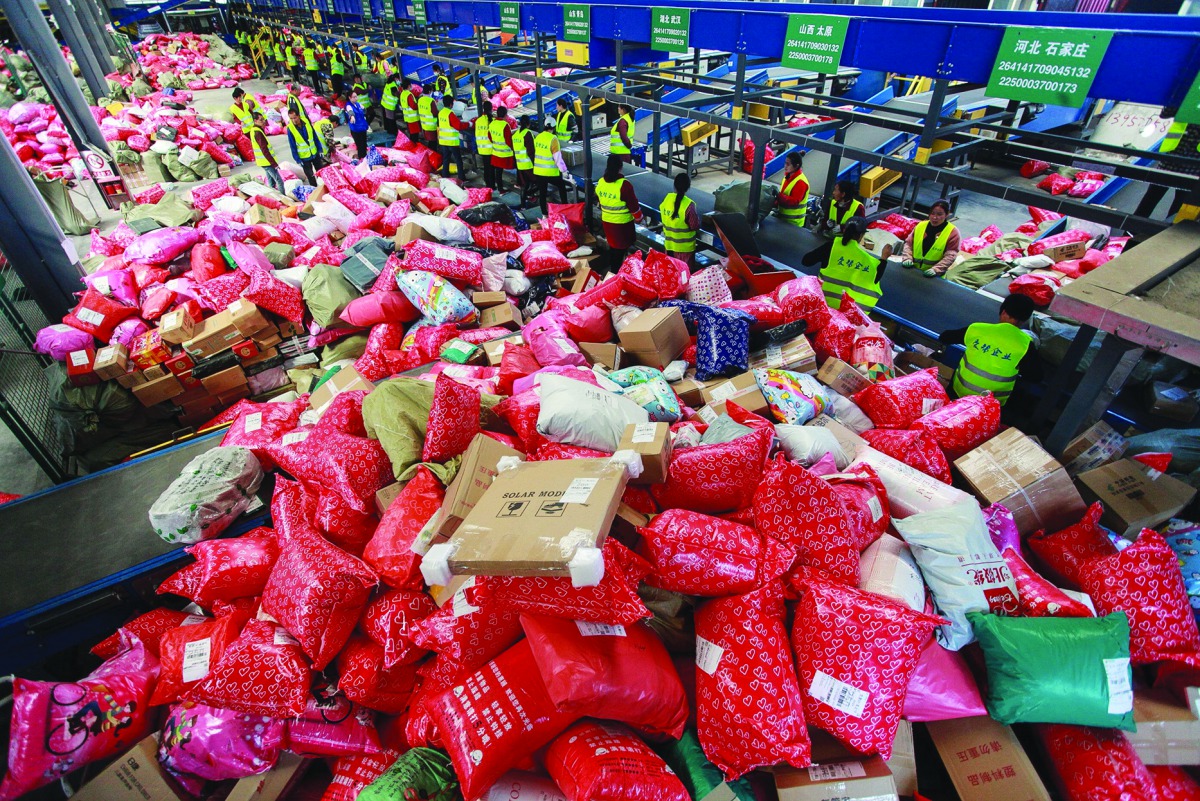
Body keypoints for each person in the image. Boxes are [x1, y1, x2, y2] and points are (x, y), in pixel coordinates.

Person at [939, 294, 1042, 410]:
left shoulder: (976, 329)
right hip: (990, 406)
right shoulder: (1026, 344)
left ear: (1003, 312)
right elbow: (1036, 377)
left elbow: (944, 337)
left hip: (958, 394)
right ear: (1025, 320)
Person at [1136, 111, 1200, 220]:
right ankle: (1130, 233)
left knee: (1175, 210)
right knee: (1149, 201)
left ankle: (1164, 234)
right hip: (1172, 160)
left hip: (1191, 166)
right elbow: (1165, 113)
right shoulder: (1190, 98)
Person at [820, 217, 892, 311]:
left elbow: (806, 261)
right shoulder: (869, 261)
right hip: (851, 315)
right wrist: (884, 258)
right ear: (861, 235)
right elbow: (876, 276)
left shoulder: (830, 247)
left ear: (844, 230)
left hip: (824, 305)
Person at [801, 180, 865, 267]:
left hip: (845, 245)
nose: (833, 193)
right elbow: (825, 221)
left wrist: (841, 228)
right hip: (829, 241)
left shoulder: (858, 207)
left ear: (843, 194)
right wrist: (827, 224)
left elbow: (859, 228)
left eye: (836, 190)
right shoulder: (832, 203)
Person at [596, 154, 641, 275]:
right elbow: (634, 206)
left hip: (607, 224)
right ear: (620, 167)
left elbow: (600, 201)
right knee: (620, 254)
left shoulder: (600, 183)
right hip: (622, 227)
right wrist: (639, 218)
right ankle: (619, 276)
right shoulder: (624, 185)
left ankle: (613, 274)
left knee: (614, 250)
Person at [901, 199, 960, 277]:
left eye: (939, 214)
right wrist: (907, 258)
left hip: (934, 277)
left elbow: (951, 255)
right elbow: (908, 244)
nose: (935, 217)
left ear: (947, 214)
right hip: (912, 271)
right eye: (932, 213)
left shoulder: (952, 232)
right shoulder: (920, 226)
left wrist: (936, 270)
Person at [660, 173, 700, 268]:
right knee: (683, 276)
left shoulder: (667, 198)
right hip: (685, 250)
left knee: (671, 273)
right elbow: (694, 226)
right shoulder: (689, 205)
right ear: (688, 187)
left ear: (675, 185)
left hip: (669, 246)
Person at [533, 115, 568, 214]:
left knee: (542, 193)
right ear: (554, 127)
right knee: (562, 186)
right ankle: (565, 208)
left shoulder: (538, 137)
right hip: (550, 172)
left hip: (539, 171)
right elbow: (557, 158)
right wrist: (564, 171)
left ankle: (544, 214)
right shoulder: (553, 139)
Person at [287, 107, 325, 186]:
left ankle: (324, 186)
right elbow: (292, 145)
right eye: (291, 118)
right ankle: (315, 190)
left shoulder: (307, 122)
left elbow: (314, 137)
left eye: (295, 117)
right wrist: (297, 159)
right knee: (310, 176)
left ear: (299, 116)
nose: (294, 120)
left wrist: (320, 149)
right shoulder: (290, 128)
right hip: (304, 157)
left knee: (321, 172)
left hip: (314, 153)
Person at [249, 112, 284, 194]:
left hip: (263, 162)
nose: (263, 121)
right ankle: (284, 198)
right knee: (279, 181)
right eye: (261, 120)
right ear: (255, 121)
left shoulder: (254, 130)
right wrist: (274, 163)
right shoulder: (258, 132)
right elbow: (264, 150)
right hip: (267, 162)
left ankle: (274, 197)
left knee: (271, 182)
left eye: (263, 119)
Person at [774, 151, 809, 228]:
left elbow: (794, 201)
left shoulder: (801, 182)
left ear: (796, 166)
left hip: (794, 224)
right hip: (783, 220)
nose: (785, 166)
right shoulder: (787, 176)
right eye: (785, 163)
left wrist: (778, 196)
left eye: (788, 164)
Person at [437, 95, 469, 178]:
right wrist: (469, 124)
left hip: (443, 141)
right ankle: (461, 178)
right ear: (451, 104)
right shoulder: (450, 114)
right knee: (458, 160)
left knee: (446, 159)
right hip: (452, 142)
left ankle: (445, 176)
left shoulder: (441, 113)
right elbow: (458, 126)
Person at [489, 106, 514, 193]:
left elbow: (490, 137)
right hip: (505, 155)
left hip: (495, 153)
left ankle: (500, 189)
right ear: (505, 115)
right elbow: (508, 141)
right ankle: (518, 185)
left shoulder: (492, 123)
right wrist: (513, 149)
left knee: (498, 172)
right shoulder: (505, 125)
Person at [513, 115, 536, 206]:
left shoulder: (516, 134)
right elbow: (531, 151)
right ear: (528, 124)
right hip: (528, 164)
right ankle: (530, 195)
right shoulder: (527, 133)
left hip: (520, 164)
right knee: (539, 182)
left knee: (524, 185)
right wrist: (535, 164)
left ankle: (523, 205)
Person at [345, 90, 370, 159]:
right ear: (349, 98)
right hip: (356, 129)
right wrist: (352, 117)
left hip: (362, 128)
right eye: (354, 97)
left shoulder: (358, 104)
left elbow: (364, 110)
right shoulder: (348, 106)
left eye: (356, 96)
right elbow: (350, 112)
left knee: (364, 144)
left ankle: (365, 158)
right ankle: (361, 158)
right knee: (360, 145)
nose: (356, 98)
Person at [475, 101, 494, 188]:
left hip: (481, 148)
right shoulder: (492, 121)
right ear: (491, 109)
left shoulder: (478, 121)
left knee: (486, 167)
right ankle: (492, 185)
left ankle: (488, 185)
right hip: (491, 148)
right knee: (492, 168)